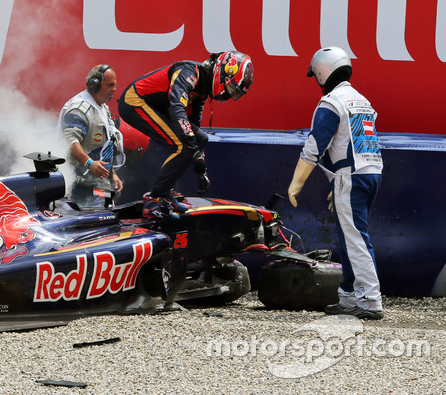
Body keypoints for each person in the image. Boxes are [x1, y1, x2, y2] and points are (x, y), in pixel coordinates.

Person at [287, 46, 384, 320]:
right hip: (369, 173)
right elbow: (356, 143)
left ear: (321, 72)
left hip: (351, 178)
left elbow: (315, 146)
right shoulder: (361, 100)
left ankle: (369, 299)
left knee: (355, 241)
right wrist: (339, 184)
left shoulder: (332, 102)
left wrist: (296, 184)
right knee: (351, 237)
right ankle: (351, 295)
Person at [118, 52, 254, 218]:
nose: (227, 94)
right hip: (135, 101)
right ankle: (154, 199)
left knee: (199, 139)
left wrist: (200, 160)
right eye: (231, 87)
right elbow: (177, 107)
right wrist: (193, 149)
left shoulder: (202, 87)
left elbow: (193, 123)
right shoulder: (188, 72)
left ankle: (165, 193)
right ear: (222, 73)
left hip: (155, 106)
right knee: (182, 146)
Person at [57, 64, 124, 207]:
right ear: (94, 85)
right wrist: (89, 163)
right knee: (87, 227)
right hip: (79, 190)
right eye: (110, 85)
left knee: (106, 218)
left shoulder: (102, 107)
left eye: (115, 85)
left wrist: (112, 174)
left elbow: (105, 146)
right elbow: (70, 142)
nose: (114, 89)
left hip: (98, 188)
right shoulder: (80, 109)